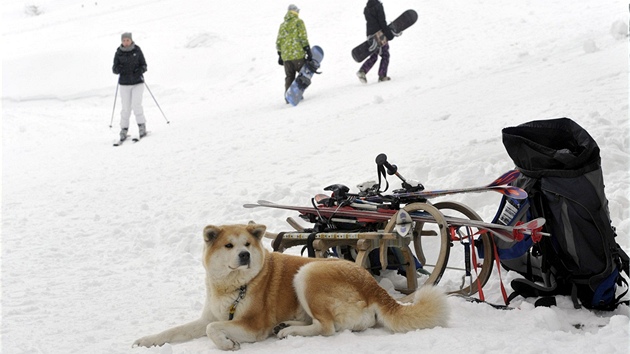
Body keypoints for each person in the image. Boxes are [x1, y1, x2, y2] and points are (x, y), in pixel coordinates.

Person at [112, 32, 147, 141]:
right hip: (124, 84)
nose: (126, 42)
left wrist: (139, 70)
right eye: (124, 40)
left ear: (131, 40)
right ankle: (124, 129)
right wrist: (119, 69)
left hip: (137, 82)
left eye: (127, 40)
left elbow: (144, 65)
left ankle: (142, 126)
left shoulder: (137, 50)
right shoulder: (119, 52)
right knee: (126, 108)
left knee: (136, 105)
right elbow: (114, 69)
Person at [276, 4, 312, 102]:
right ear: (295, 11)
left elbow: (279, 41)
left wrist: (280, 55)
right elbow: (303, 37)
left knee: (289, 76)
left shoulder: (282, 25)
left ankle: (288, 96)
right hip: (297, 54)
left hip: (286, 57)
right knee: (303, 74)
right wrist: (308, 50)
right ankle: (297, 93)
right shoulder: (298, 22)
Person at [357, 0, 394, 84]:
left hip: (370, 34)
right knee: (385, 54)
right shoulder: (378, 6)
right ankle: (382, 76)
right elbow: (382, 21)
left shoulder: (366, 8)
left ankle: (362, 71)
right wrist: (388, 34)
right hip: (379, 34)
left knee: (374, 55)